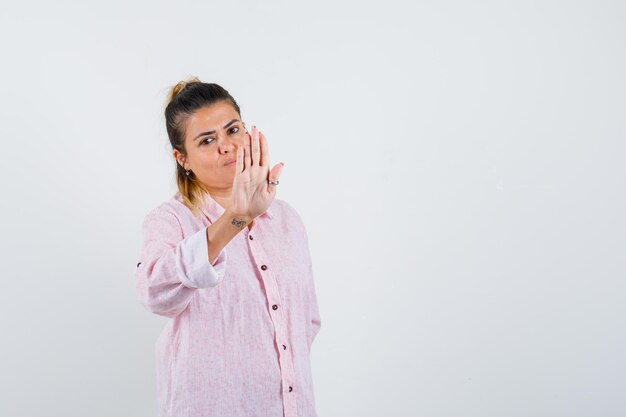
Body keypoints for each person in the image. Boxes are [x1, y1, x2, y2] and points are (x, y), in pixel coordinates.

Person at [134, 78, 322, 417]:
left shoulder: (286, 220)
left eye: (232, 130)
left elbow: (305, 321)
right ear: (183, 159)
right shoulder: (170, 220)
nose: (226, 146)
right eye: (207, 140)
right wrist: (236, 217)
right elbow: (154, 291)